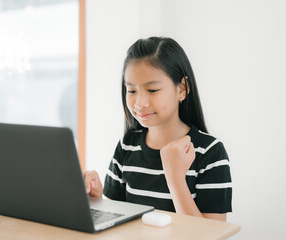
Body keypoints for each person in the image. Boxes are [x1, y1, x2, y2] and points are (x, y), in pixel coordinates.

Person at [83, 37, 232, 221]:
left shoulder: (210, 153)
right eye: (131, 91)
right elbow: (119, 221)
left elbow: (211, 235)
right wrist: (95, 199)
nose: (140, 103)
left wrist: (175, 178)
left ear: (182, 89)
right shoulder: (127, 146)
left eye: (152, 90)